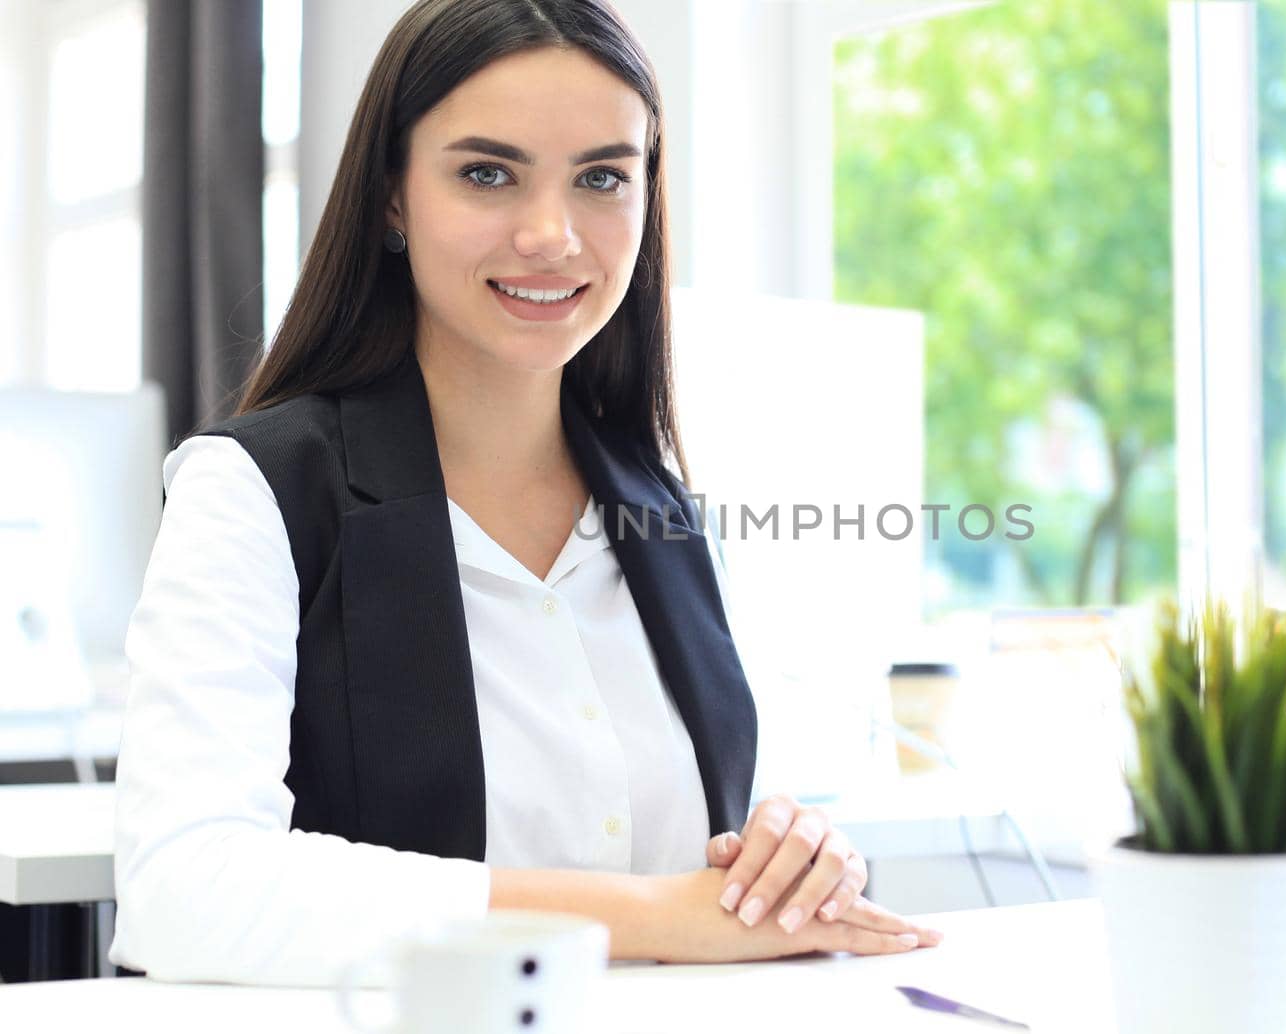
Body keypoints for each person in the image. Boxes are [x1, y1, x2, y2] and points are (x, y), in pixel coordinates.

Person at [110, 0, 940, 985]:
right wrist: (650, 913)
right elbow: (184, 887)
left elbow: (711, 856)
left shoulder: (665, 515)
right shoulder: (255, 490)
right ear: (391, 199)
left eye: (601, 177)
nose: (551, 234)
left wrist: (790, 862)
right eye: (487, 173)